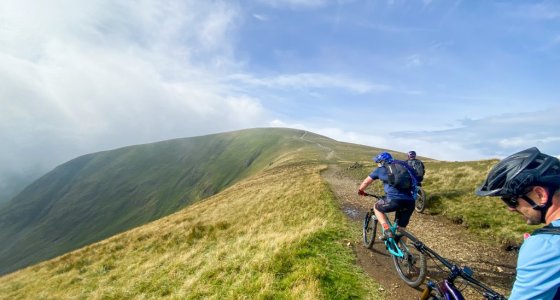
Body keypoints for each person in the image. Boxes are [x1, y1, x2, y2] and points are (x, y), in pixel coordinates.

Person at [475, 147, 560, 299]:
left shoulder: (546, 246)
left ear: (540, 195)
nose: (510, 209)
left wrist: (538, 248)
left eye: (512, 200)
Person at [358, 151, 416, 239]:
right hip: (410, 201)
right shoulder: (402, 169)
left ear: (382, 162)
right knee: (401, 229)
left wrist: (361, 190)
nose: (377, 164)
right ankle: (404, 251)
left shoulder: (380, 169)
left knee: (377, 207)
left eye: (378, 162)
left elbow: (366, 182)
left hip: (394, 200)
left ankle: (386, 229)